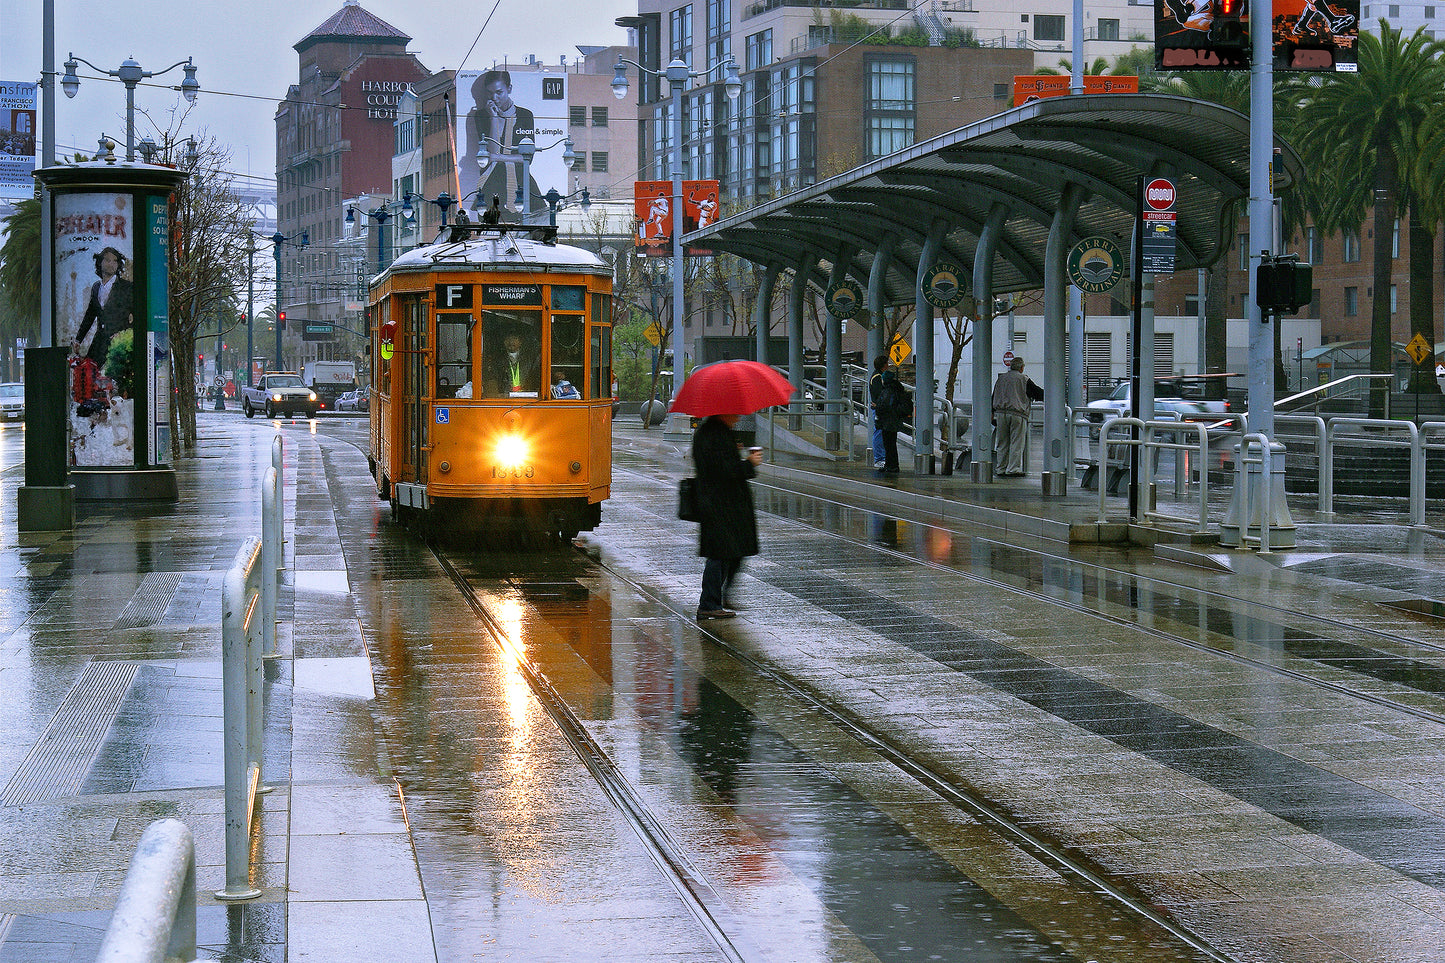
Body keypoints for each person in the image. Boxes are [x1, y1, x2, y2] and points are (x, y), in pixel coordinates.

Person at [692, 414, 762, 620]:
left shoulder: (714, 433)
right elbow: (723, 471)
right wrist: (749, 463)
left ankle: (718, 597)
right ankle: (709, 603)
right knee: (720, 554)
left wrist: (734, 450)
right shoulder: (714, 435)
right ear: (723, 412)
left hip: (723, 504)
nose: (738, 417)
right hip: (720, 504)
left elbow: (720, 463)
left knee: (732, 551)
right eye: (734, 412)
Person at [471, 70, 536, 213]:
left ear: (509, 89)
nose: (494, 98)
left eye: (499, 92)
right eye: (489, 93)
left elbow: (527, 157)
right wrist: (493, 118)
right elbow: (492, 152)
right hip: (493, 181)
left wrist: (496, 158)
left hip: (521, 180)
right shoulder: (481, 115)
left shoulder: (525, 115)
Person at [73, 246, 133, 396]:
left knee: (121, 377)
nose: (111, 264)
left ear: (118, 265)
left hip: (119, 339)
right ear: (100, 262)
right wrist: (78, 339)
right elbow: (90, 315)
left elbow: (139, 314)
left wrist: (124, 333)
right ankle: (98, 400)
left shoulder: (126, 287)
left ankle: (118, 400)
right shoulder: (96, 287)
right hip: (100, 337)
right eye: (107, 260)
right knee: (88, 372)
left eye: (115, 261)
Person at [992, 356, 1042, 476]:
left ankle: (1001, 468)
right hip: (1017, 414)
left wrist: (992, 412)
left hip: (1000, 413)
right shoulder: (1024, 379)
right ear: (1021, 368)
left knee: (1002, 443)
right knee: (1016, 443)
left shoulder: (1001, 379)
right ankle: (1013, 469)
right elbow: (1038, 393)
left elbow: (993, 396)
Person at [874, 367, 911, 475]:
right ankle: (891, 465)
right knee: (891, 444)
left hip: (888, 421)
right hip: (894, 420)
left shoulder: (887, 391)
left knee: (888, 444)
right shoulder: (897, 389)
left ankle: (892, 466)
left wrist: (877, 407)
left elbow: (884, 406)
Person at [486, 330, 540, 397]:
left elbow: (535, 378)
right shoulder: (497, 360)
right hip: (505, 398)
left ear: (520, 342)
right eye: (508, 339)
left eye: (514, 339)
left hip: (527, 397)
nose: (511, 342)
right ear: (504, 342)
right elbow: (493, 379)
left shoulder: (530, 359)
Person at [868, 356, 888, 469]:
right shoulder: (877, 377)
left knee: (880, 432)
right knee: (879, 433)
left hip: (878, 408)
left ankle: (881, 458)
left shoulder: (877, 376)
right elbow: (879, 394)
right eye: (886, 363)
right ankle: (879, 459)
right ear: (883, 365)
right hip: (878, 409)